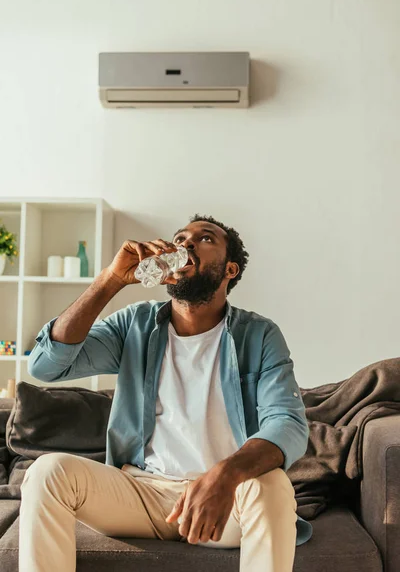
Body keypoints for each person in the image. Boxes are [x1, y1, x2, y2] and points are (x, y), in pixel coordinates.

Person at [19, 214, 312, 572]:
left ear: (230, 269)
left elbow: (288, 423)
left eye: (205, 239)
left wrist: (223, 476)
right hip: (141, 493)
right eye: (180, 238)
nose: (186, 244)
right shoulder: (135, 324)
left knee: (272, 486)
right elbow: (46, 366)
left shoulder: (259, 335)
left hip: (225, 501)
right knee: (49, 471)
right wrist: (111, 279)